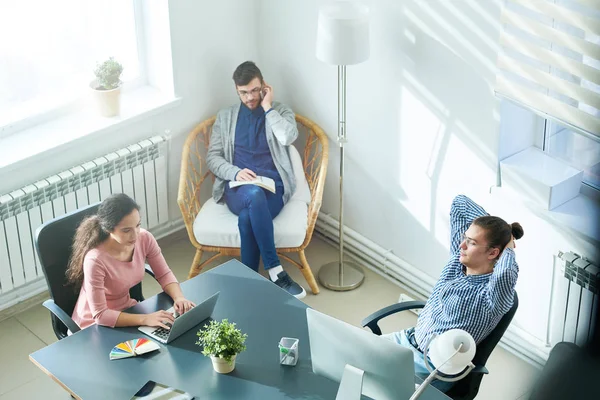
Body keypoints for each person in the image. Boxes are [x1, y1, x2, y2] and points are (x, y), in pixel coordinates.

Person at [383, 194, 524, 392]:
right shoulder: (456, 262)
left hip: (429, 369)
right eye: (465, 238)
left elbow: (507, 272)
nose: (461, 245)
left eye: (471, 242)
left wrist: (508, 246)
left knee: (373, 386)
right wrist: (501, 229)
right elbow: (460, 203)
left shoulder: (493, 296)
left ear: (493, 253)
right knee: (349, 355)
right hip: (405, 340)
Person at [206, 61, 305, 299]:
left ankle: (248, 279)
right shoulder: (226, 117)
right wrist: (234, 173)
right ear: (236, 91)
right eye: (243, 92)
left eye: (254, 90)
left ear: (264, 86)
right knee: (253, 195)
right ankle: (275, 270)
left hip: (274, 189)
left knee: (247, 217)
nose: (250, 97)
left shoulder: (280, 111)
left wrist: (268, 108)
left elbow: (287, 137)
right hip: (238, 189)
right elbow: (213, 157)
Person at [67, 193, 196, 330]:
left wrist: (179, 298)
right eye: (126, 230)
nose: (135, 235)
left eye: (137, 225)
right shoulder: (95, 260)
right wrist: (146, 318)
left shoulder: (145, 238)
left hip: (126, 311)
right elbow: (100, 315)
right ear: (108, 229)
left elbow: (164, 274)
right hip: (92, 326)